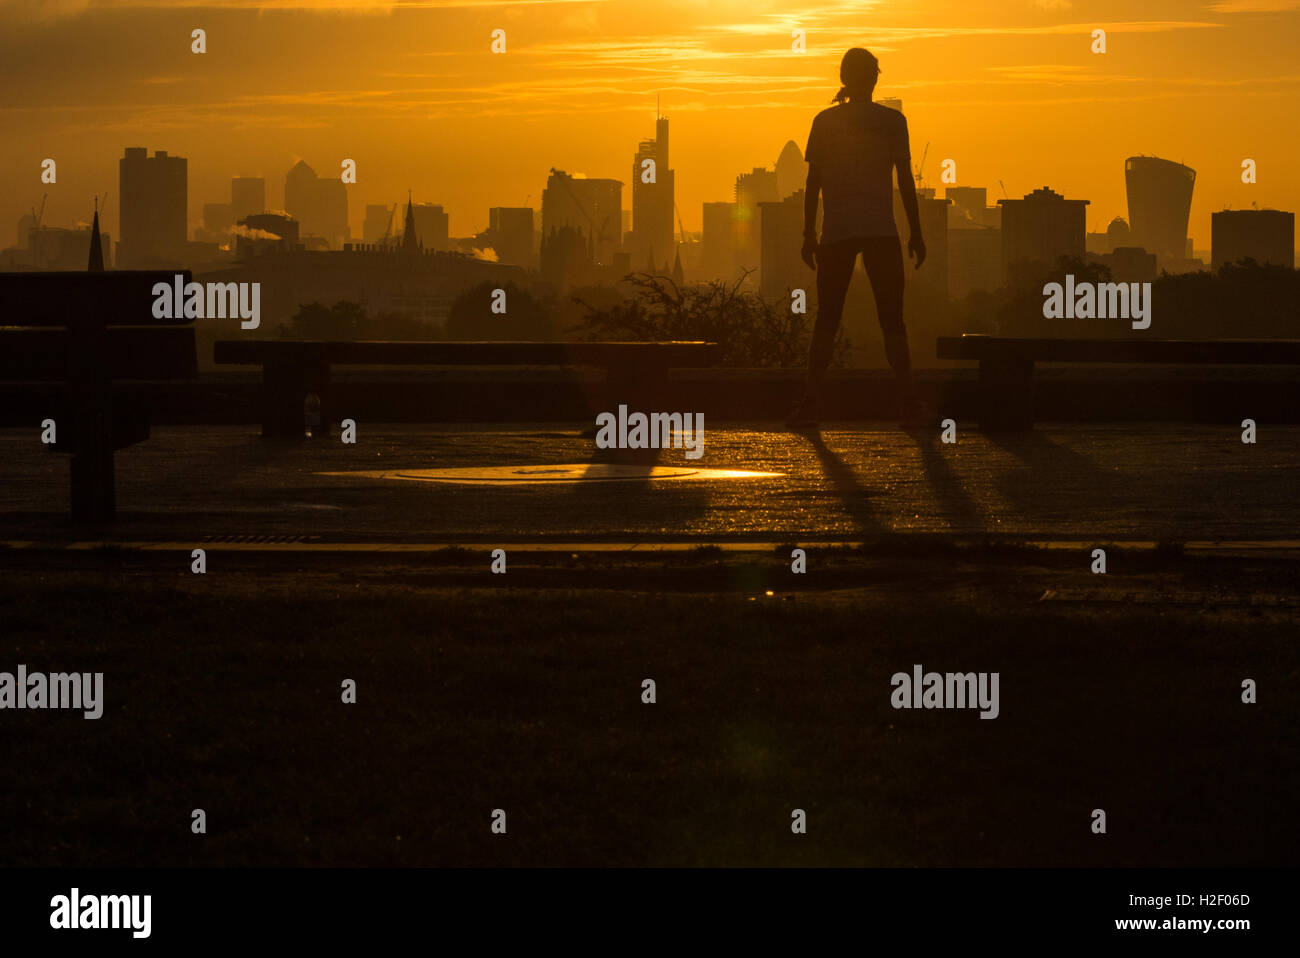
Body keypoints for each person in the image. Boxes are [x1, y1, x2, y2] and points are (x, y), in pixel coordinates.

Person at [786, 47, 929, 428]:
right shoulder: (893, 121)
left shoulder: (825, 121)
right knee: (893, 322)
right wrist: (916, 232)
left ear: (844, 78)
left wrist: (808, 232)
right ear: (875, 77)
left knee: (827, 321)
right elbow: (905, 181)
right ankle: (909, 405)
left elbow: (812, 183)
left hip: (837, 232)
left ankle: (809, 404)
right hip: (881, 231)